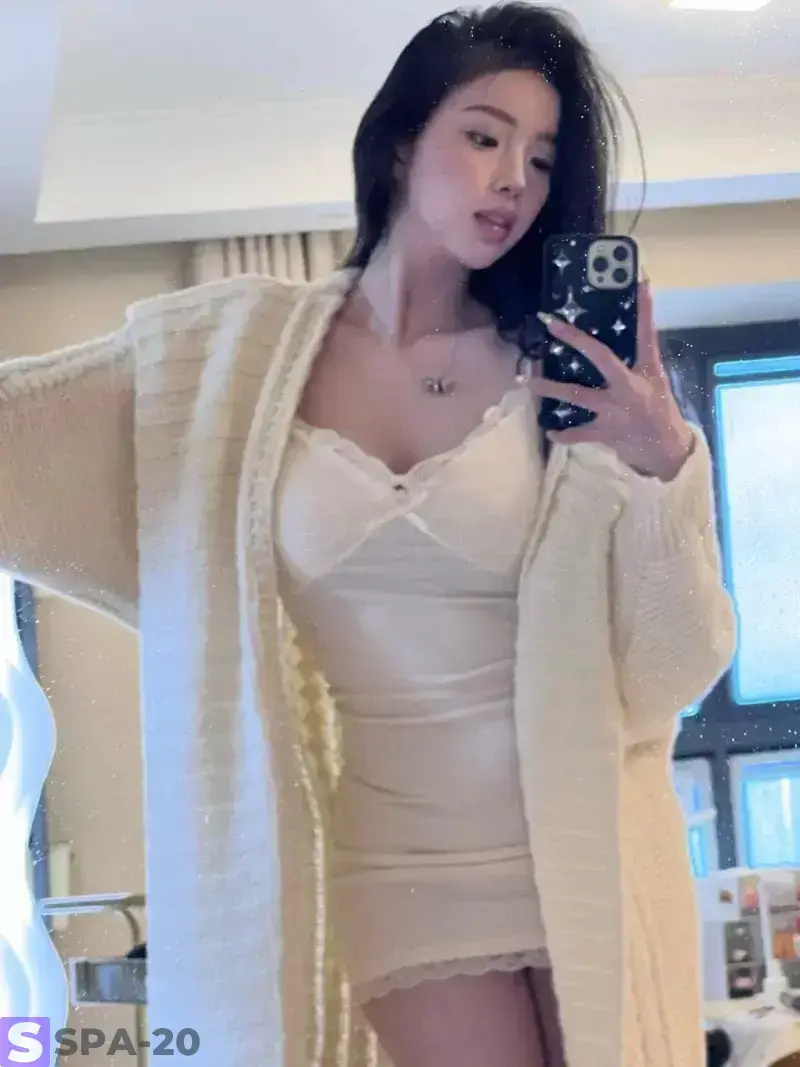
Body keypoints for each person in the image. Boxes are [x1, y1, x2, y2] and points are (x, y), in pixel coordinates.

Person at [0, 5, 736, 1067]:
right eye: (482, 136)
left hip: (586, 848)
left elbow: (673, 665)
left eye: (539, 158)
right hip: (397, 866)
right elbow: (24, 436)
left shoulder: (564, 377)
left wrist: (663, 459)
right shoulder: (231, 362)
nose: (512, 181)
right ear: (399, 143)